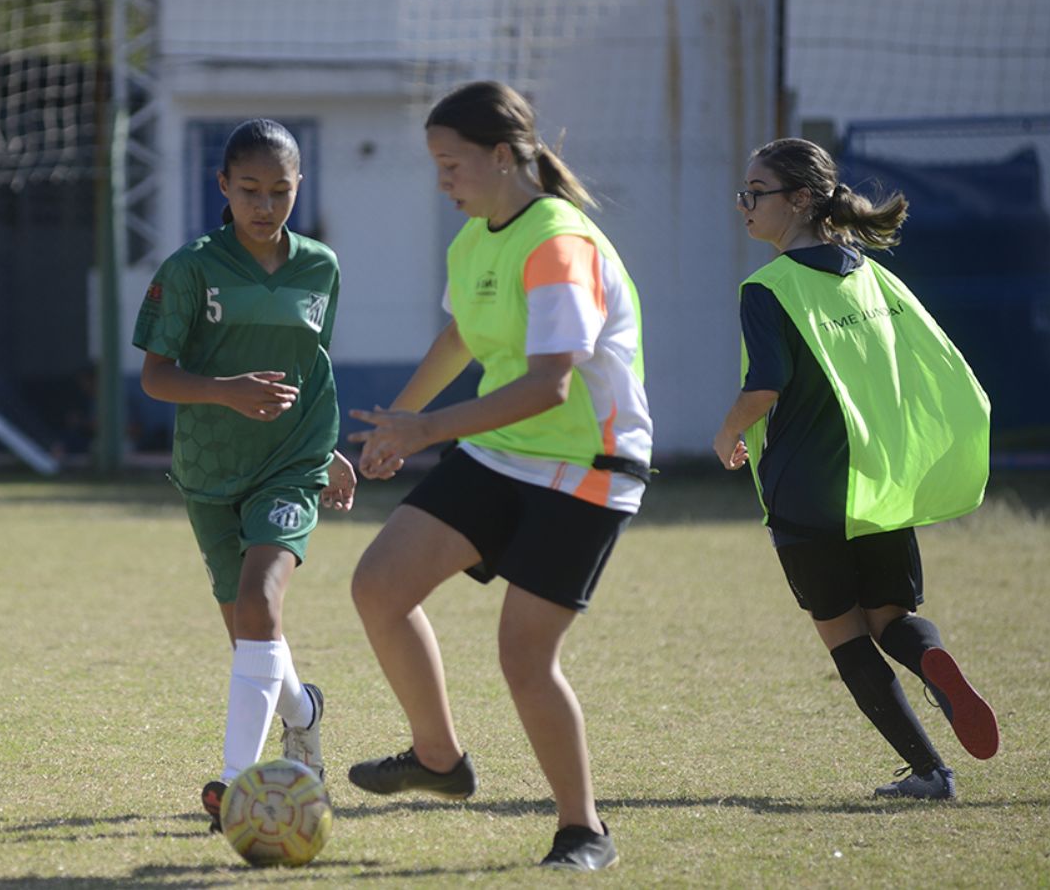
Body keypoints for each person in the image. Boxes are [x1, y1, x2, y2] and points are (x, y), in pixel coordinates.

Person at [346, 81, 651, 871]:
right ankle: (439, 760)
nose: (442, 180)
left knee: (524, 656)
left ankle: (584, 830)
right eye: (436, 165)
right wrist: (396, 427)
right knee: (379, 585)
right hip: (502, 448)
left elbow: (552, 382)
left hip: (587, 464)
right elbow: (459, 338)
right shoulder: (476, 237)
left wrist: (428, 431)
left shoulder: (559, 241)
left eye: (451, 164)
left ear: (503, 155)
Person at [714, 137, 997, 800]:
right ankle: (930, 657)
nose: (743, 205)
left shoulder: (768, 287)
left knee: (843, 632)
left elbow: (765, 389)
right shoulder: (872, 278)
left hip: (806, 489)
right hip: (879, 483)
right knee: (891, 617)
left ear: (801, 200)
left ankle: (930, 771)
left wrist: (726, 432)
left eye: (756, 192)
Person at [131, 118, 354, 833]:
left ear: (299, 188)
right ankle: (306, 713)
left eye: (280, 191)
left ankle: (235, 787)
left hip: (290, 461)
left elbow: (315, 367)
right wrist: (226, 389)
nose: (265, 205)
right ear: (222, 186)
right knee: (251, 639)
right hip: (209, 471)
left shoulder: (321, 266)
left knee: (262, 601)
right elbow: (156, 379)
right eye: (250, 189)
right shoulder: (191, 267)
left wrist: (331, 449)